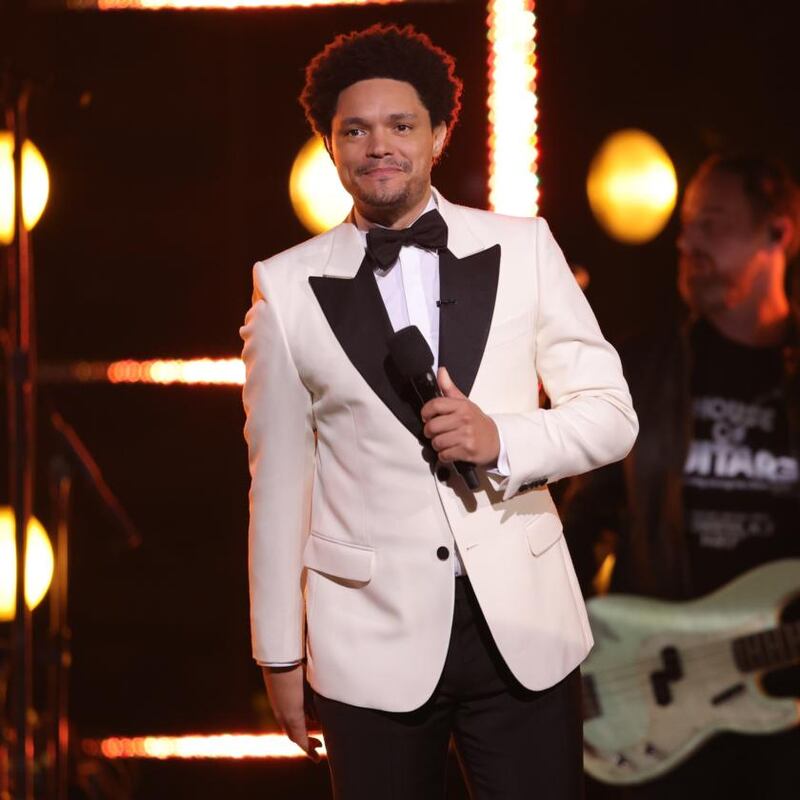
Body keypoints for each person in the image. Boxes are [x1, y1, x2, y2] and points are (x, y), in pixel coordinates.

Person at [240, 24, 638, 800]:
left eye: (400, 125)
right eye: (355, 129)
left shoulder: (524, 247)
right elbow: (278, 486)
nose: (378, 146)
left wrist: (501, 439)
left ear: (439, 134)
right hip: (369, 638)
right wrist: (279, 655)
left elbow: (612, 414)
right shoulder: (284, 288)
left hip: (524, 632)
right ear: (330, 144)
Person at [562, 154, 800, 799]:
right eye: (687, 225)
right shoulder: (642, 366)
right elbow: (584, 522)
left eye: (712, 225)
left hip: (781, 715)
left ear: (779, 233)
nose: (687, 242)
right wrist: (556, 658)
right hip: (649, 690)